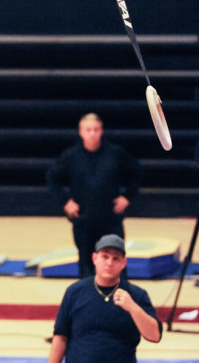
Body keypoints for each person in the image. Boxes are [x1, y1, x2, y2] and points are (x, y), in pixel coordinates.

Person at [46, 113, 141, 278]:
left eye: (96, 129)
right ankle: (88, 300)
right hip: (84, 219)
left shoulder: (115, 153)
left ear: (101, 131)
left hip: (110, 219)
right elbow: (52, 178)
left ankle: (119, 299)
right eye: (88, 130)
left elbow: (137, 173)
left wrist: (127, 196)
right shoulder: (71, 156)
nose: (92, 133)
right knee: (86, 264)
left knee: (115, 260)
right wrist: (65, 202)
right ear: (81, 132)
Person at [48, 234, 162, 363]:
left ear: (123, 263)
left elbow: (155, 335)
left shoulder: (136, 295)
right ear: (95, 258)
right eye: (105, 257)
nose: (109, 263)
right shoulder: (74, 292)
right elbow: (60, 336)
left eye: (116, 258)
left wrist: (132, 307)